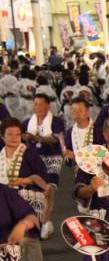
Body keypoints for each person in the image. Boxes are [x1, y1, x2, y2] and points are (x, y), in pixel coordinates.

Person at [0, 118, 50, 261]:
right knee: (13, 239)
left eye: (17, 134)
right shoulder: (0, 154)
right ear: (3, 136)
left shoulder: (29, 154)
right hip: (6, 200)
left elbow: (43, 177)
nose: (14, 138)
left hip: (28, 198)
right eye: (9, 134)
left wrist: (25, 180)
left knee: (31, 239)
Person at [22, 93, 65, 239]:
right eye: (35, 104)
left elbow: (55, 138)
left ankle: (45, 223)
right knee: (35, 191)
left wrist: (36, 138)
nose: (38, 107)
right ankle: (41, 220)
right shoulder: (28, 122)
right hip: (34, 159)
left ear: (48, 105)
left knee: (49, 189)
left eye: (41, 104)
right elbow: (19, 136)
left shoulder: (57, 121)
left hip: (53, 158)